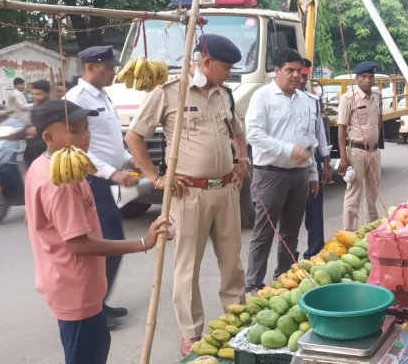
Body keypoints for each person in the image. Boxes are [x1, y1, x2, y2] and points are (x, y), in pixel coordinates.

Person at [126, 34, 249, 356]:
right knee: (187, 267)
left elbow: (237, 130)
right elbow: (135, 136)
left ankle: (236, 322)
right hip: (188, 194)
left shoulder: (225, 94)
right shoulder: (169, 93)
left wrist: (242, 160)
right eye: (225, 67)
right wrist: (155, 177)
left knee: (232, 263)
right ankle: (191, 333)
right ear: (206, 62)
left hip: (225, 191)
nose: (229, 74)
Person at [24, 100, 173, 364]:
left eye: (86, 128)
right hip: (75, 287)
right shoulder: (60, 182)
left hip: (68, 283)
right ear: (48, 136)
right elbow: (79, 244)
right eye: (75, 131)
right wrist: (143, 242)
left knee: (91, 349)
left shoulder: (44, 165)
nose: (85, 136)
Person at [66, 46, 139, 329]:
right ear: (91, 66)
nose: (113, 71)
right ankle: (92, 308)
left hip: (105, 180)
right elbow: (76, 146)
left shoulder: (104, 97)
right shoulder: (75, 99)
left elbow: (110, 140)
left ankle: (100, 303)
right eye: (109, 67)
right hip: (91, 180)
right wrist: (112, 174)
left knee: (109, 243)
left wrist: (131, 160)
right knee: (108, 243)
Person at [245, 49, 319, 293]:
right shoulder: (262, 96)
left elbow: (309, 139)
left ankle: (284, 279)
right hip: (270, 174)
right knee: (264, 231)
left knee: (290, 232)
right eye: (290, 70)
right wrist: (289, 150)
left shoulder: (305, 100)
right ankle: (254, 284)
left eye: (299, 71)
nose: (296, 75)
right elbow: (254, 135)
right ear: (276, 72)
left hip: (299, 175)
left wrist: (313, 172)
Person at [337, 61, 383, 231]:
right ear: (356, 79)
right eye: (363, 77)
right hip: (355, 152)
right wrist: (343, 157)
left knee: (372, 195)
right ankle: (349, 233)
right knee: (353, 195)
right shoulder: (348, 99)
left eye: (370, 77)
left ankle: (372, 231)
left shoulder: (377, 97)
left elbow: (379, 121)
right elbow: (341, 129)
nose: (367, 80)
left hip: (373, 151)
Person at [301, 58, 332, 259]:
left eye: (304, 76)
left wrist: (326, 162)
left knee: (314, 210)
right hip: (289, 163)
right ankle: (286, 260)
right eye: (297, 74)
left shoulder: (312, 101)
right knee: (290, 215)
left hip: (313, 161)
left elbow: (319, 131)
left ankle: (314, 253)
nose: (301, 79)